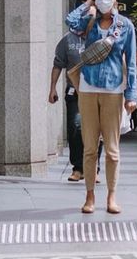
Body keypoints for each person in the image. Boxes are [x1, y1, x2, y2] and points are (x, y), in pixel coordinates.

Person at [65, 0, 137, 215]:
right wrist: (87, 5)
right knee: (89, 147)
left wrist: (131, 95)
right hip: (87, 87)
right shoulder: (90, 21)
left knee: (113, 150)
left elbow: (132, 62)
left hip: (114, 89)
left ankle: (112, 196)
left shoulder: (125, 26)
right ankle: (89, 196)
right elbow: (70, 22)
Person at [47, 29, 100, 182]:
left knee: (97, 131)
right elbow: (58, 64)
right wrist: (52, 88)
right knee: (75, 127)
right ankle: (78, 168)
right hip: (74, 92)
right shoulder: (68, 40)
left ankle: (94, 169)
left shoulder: (100, 36)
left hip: (97, 91)